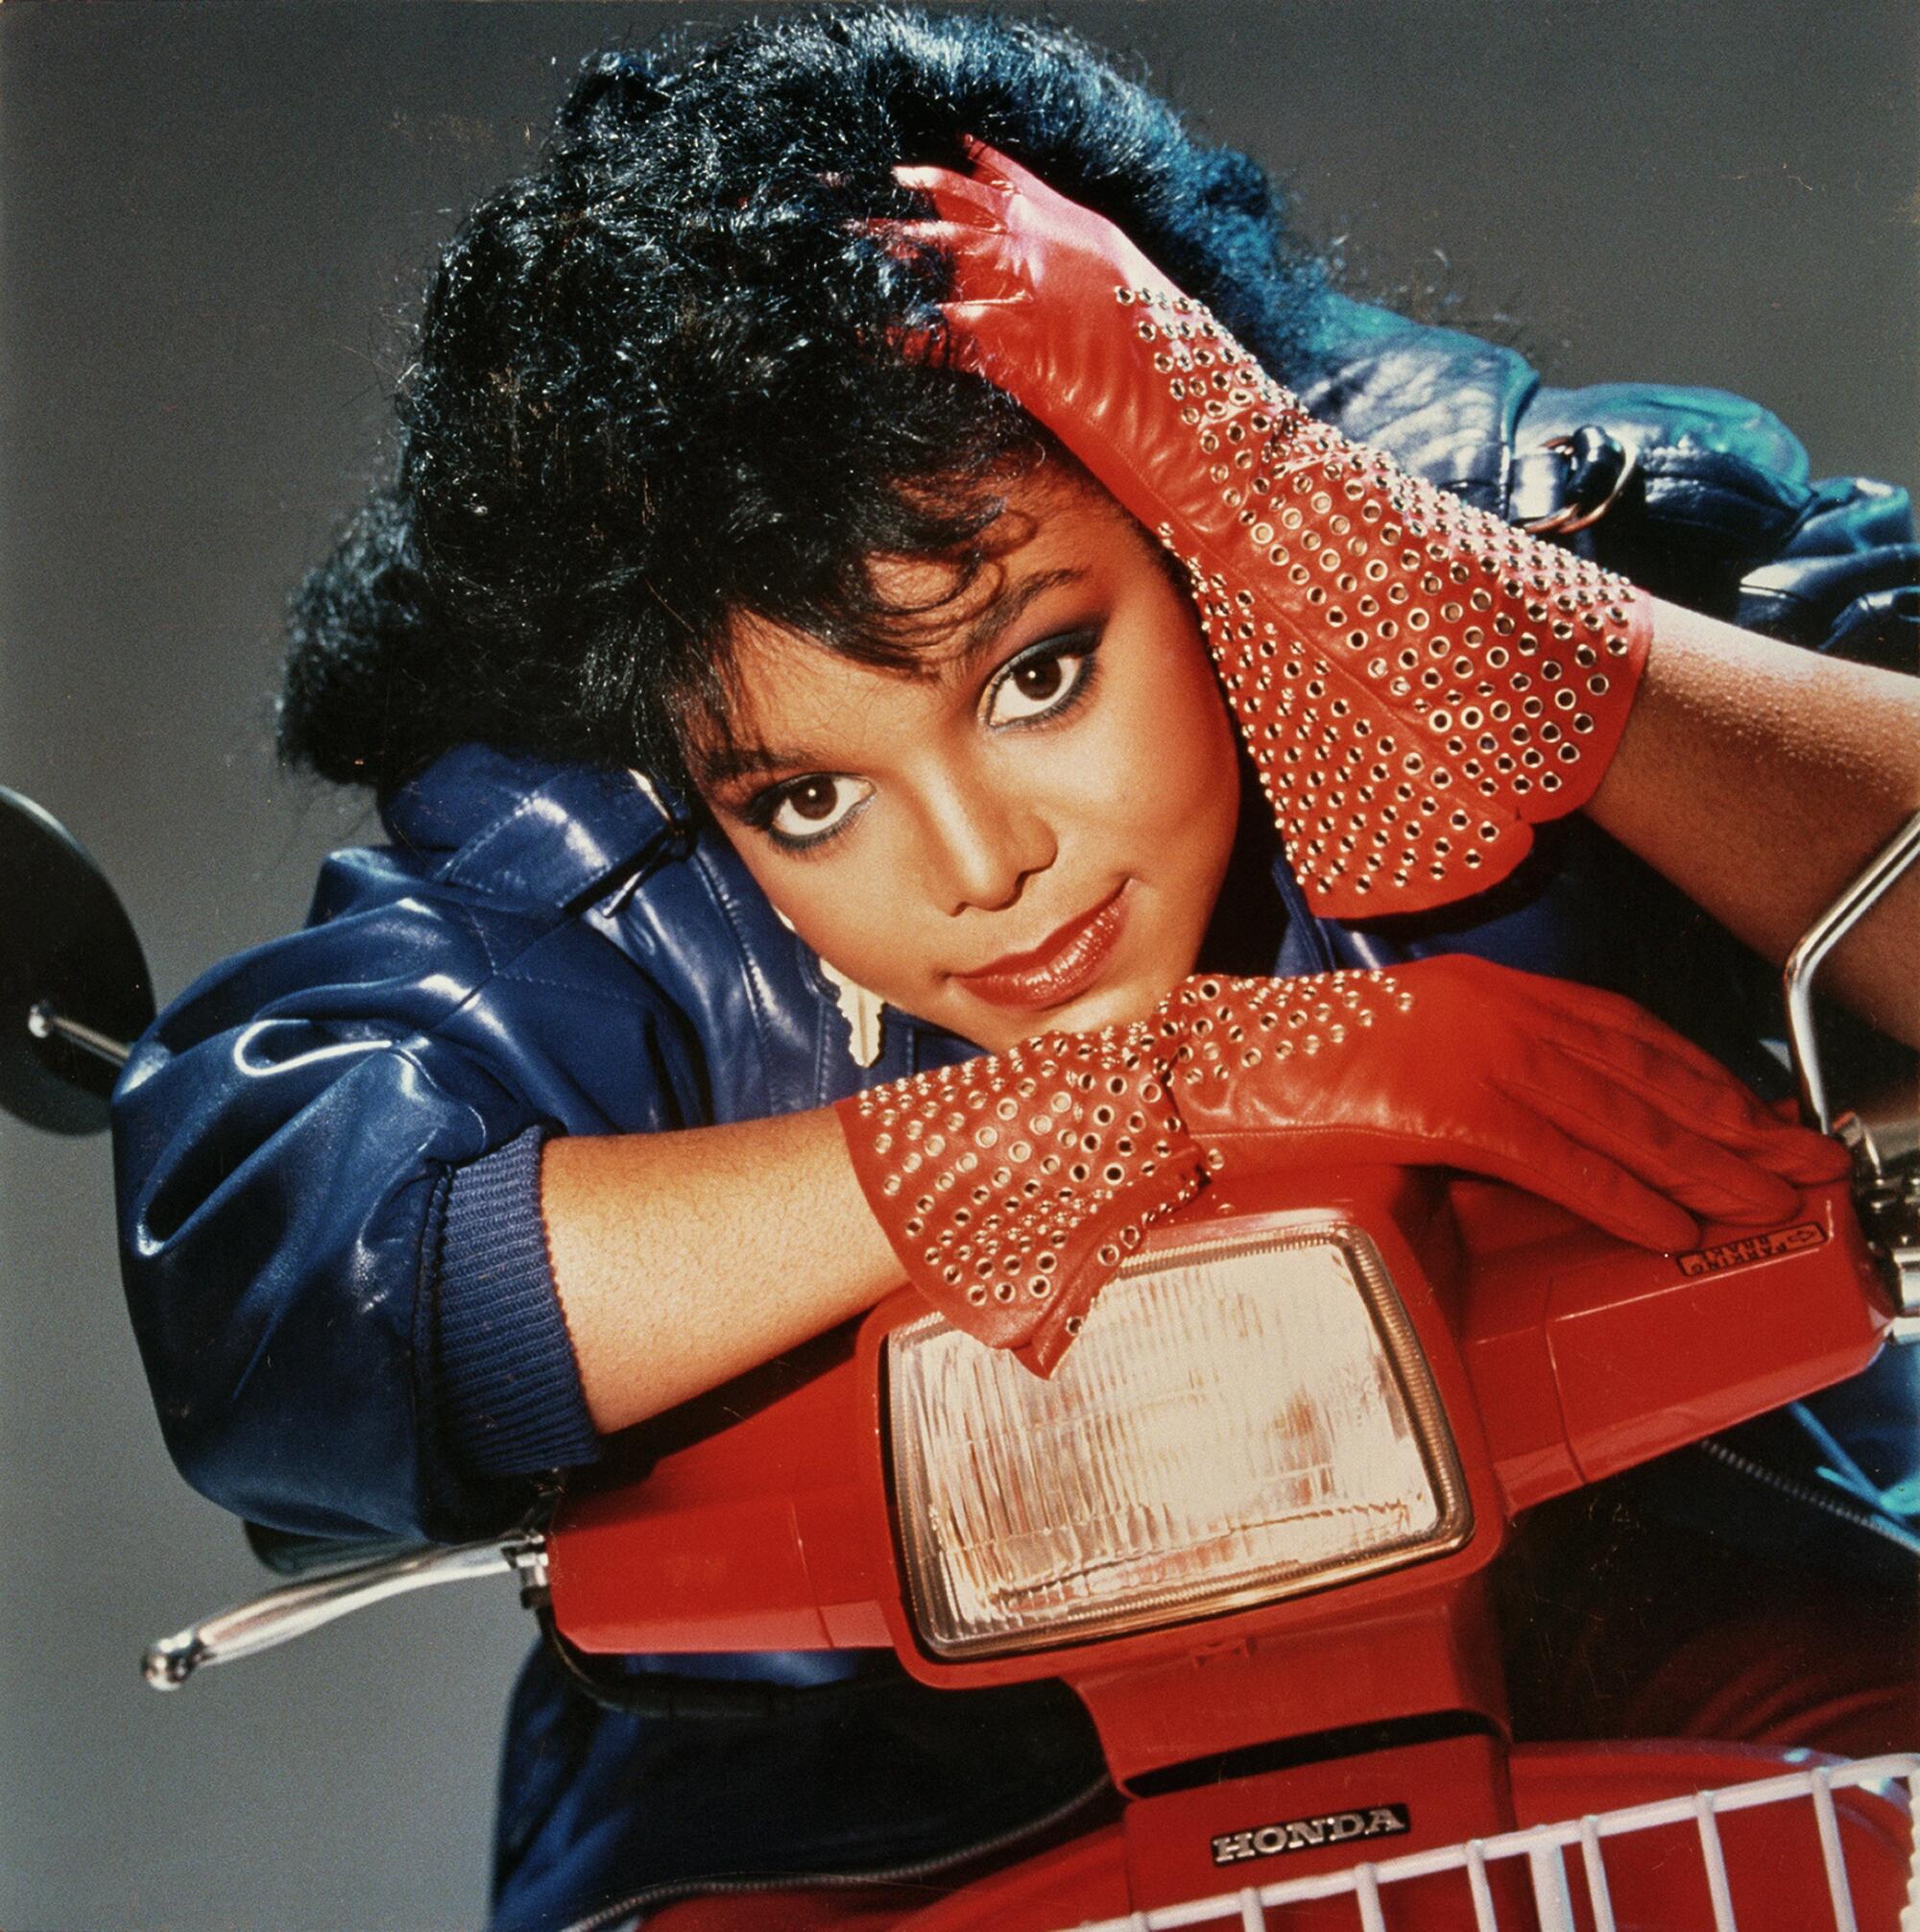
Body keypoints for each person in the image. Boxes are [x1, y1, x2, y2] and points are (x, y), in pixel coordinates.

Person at [109, 10, 1919, 1928]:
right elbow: (281, 1276)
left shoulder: (1429, 526)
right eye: (808, 794)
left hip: (1692, 1593)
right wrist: (1136, 1099)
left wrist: (1310, 516)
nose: (983, 872)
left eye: (1036, 673)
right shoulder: (605, 856)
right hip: (845, 1792)